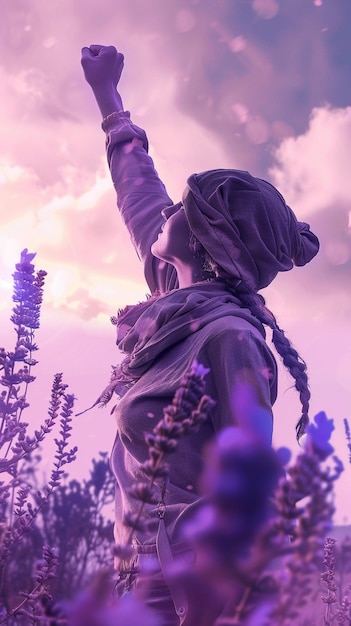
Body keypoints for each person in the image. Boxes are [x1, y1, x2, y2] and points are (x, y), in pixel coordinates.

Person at [80, 44, 319, 625]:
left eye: (187, 206)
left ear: (211, 243)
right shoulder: (173, 300)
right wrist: (108, 98)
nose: (171, 209)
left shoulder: (230, 338)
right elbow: (139, 192)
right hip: (136, 580)